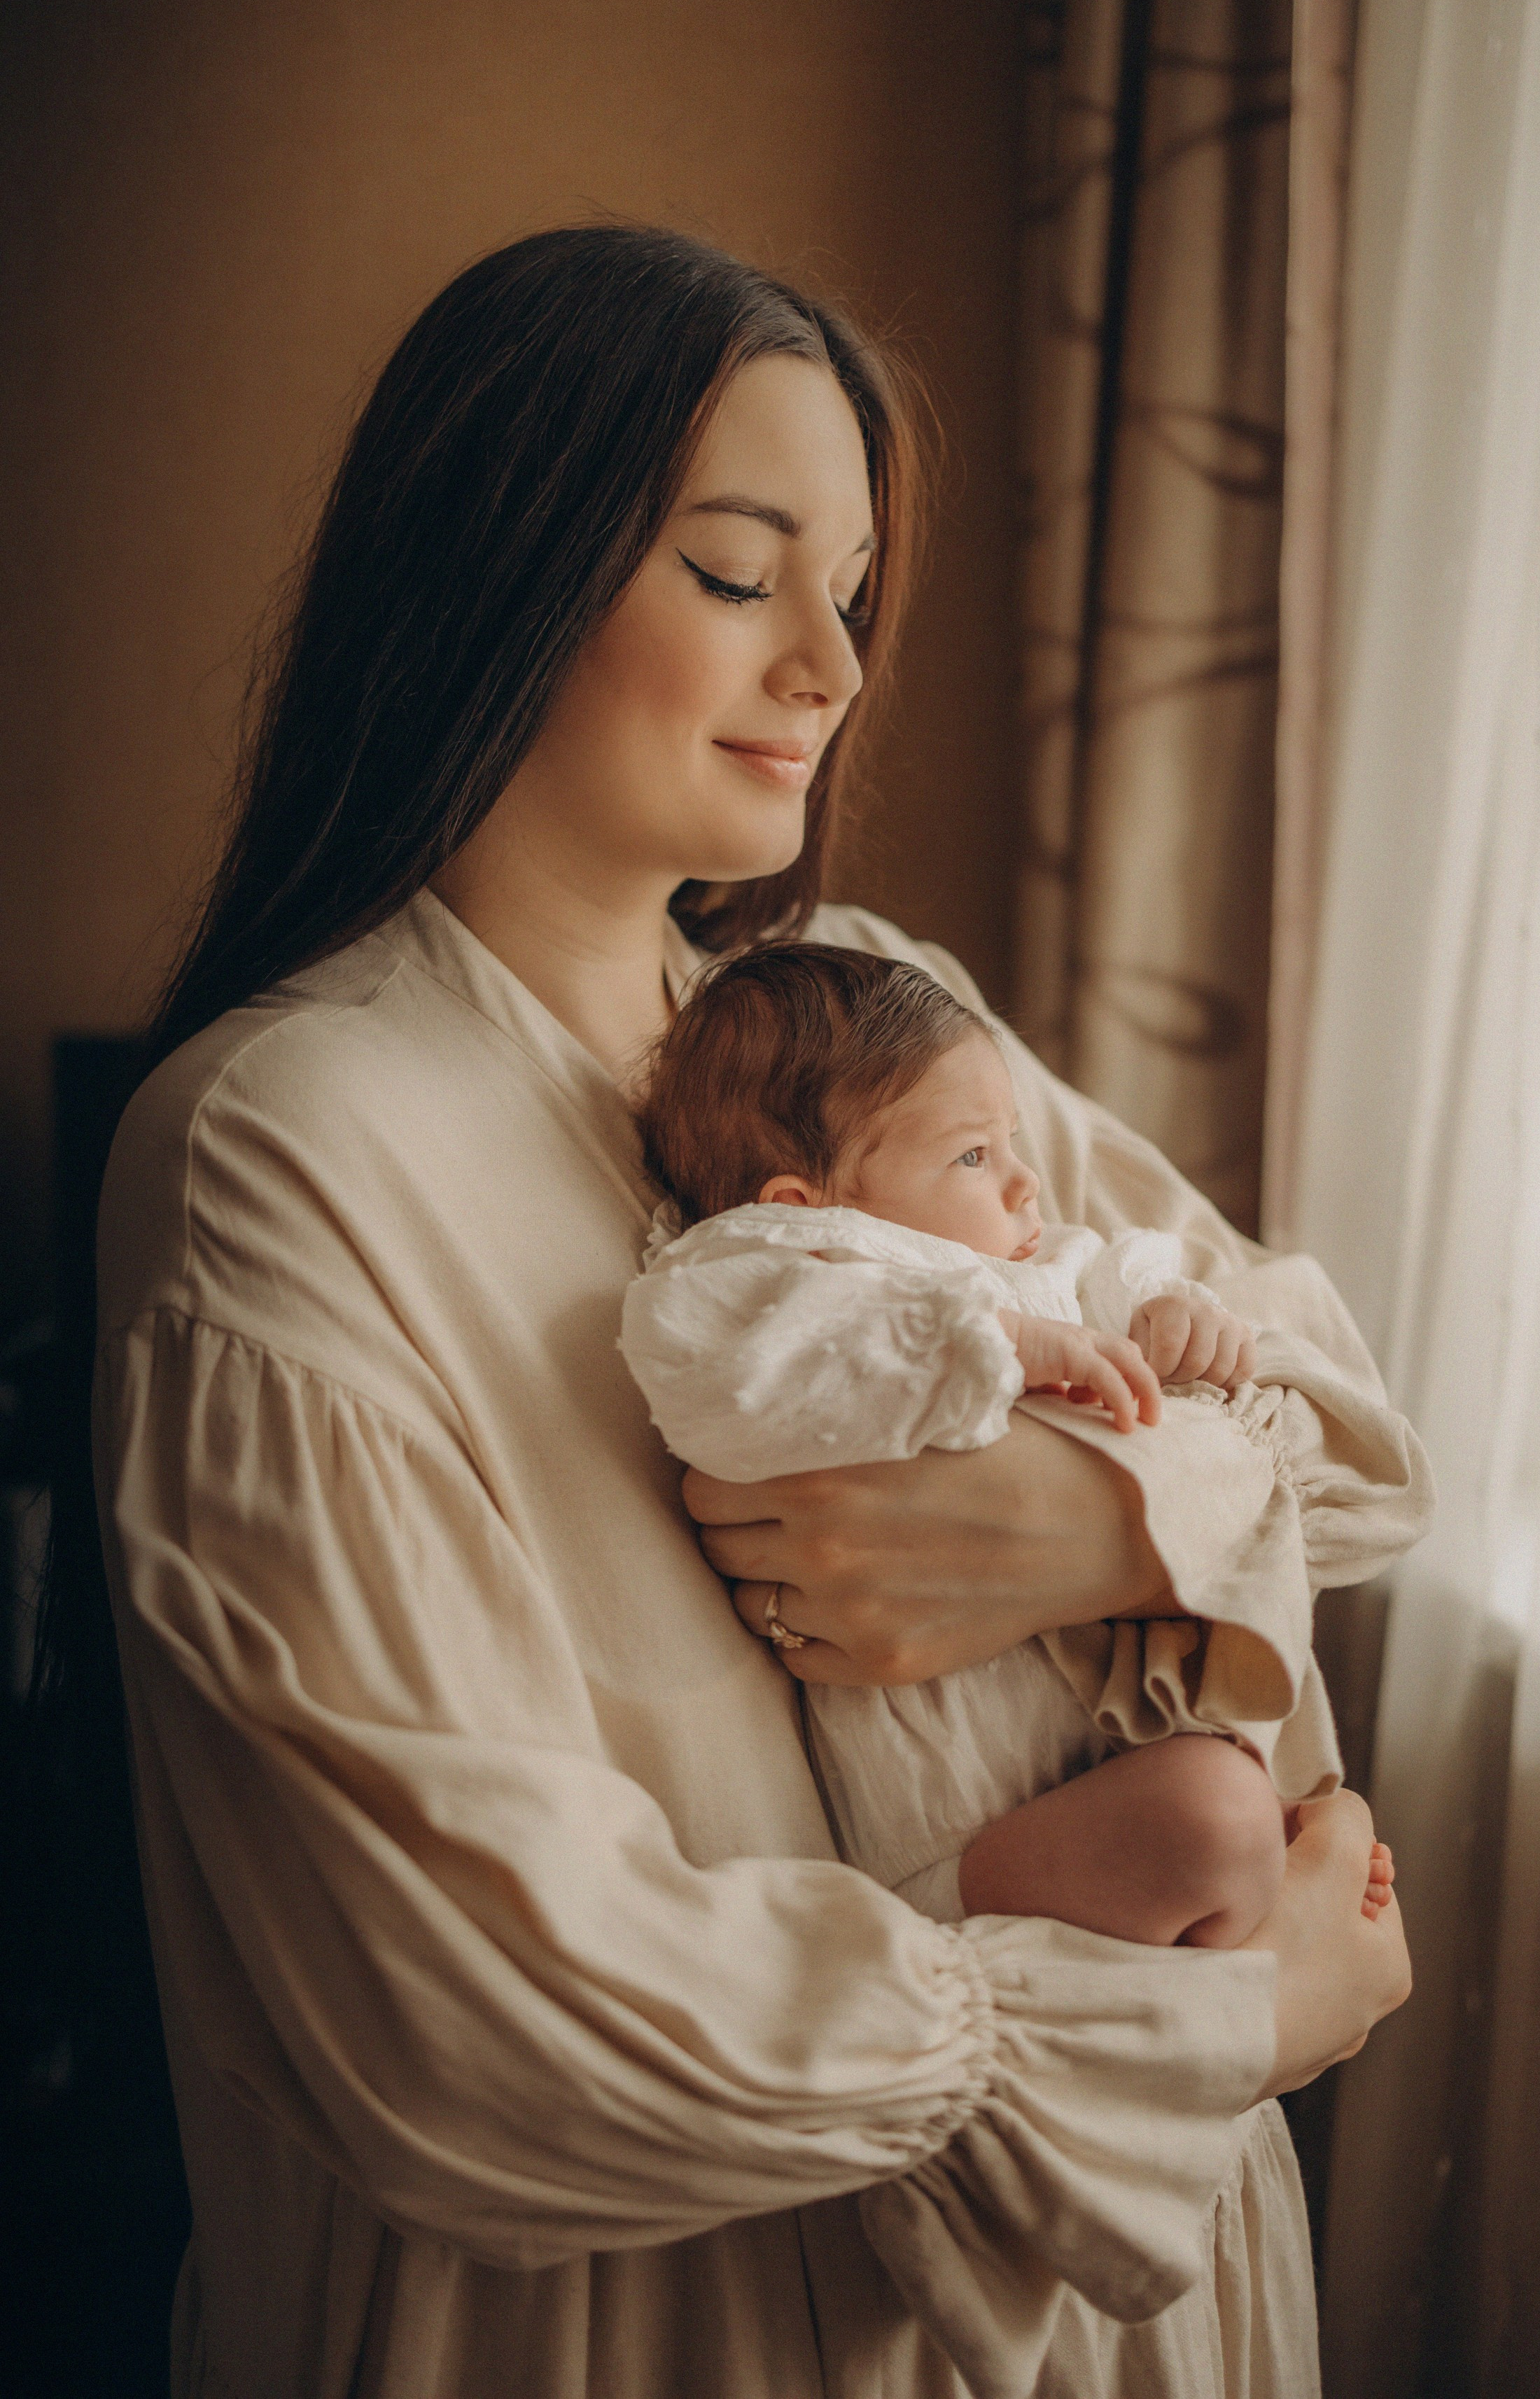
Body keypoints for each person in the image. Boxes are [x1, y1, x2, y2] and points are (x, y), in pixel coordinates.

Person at [91, 225, 1414, 2399]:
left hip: (1135, 2310)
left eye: (853, 591)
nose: (827, 661)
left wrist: (1108, 1524)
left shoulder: (871, 1023)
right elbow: (490, 2020)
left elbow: (1353, 1439)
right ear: (499, 571)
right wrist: (1223, 2013)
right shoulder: (291, 1144)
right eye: (734, 571)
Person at [622, 940, 1408, 1955]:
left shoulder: (1049, 1264)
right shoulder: (785, 1278)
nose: (1025, 1183)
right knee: (1206, 1816)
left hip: (1106, 1754)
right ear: (801, 1209)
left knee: (1234, 1785)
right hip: (967, 1819)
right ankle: (1235, 1888)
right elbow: (718, 1370)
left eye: (1011, 1140)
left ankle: (1244, 1877)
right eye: (971, 1156)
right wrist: (990, 1343)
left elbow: (1163, 1303)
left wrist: (1181, 1321)